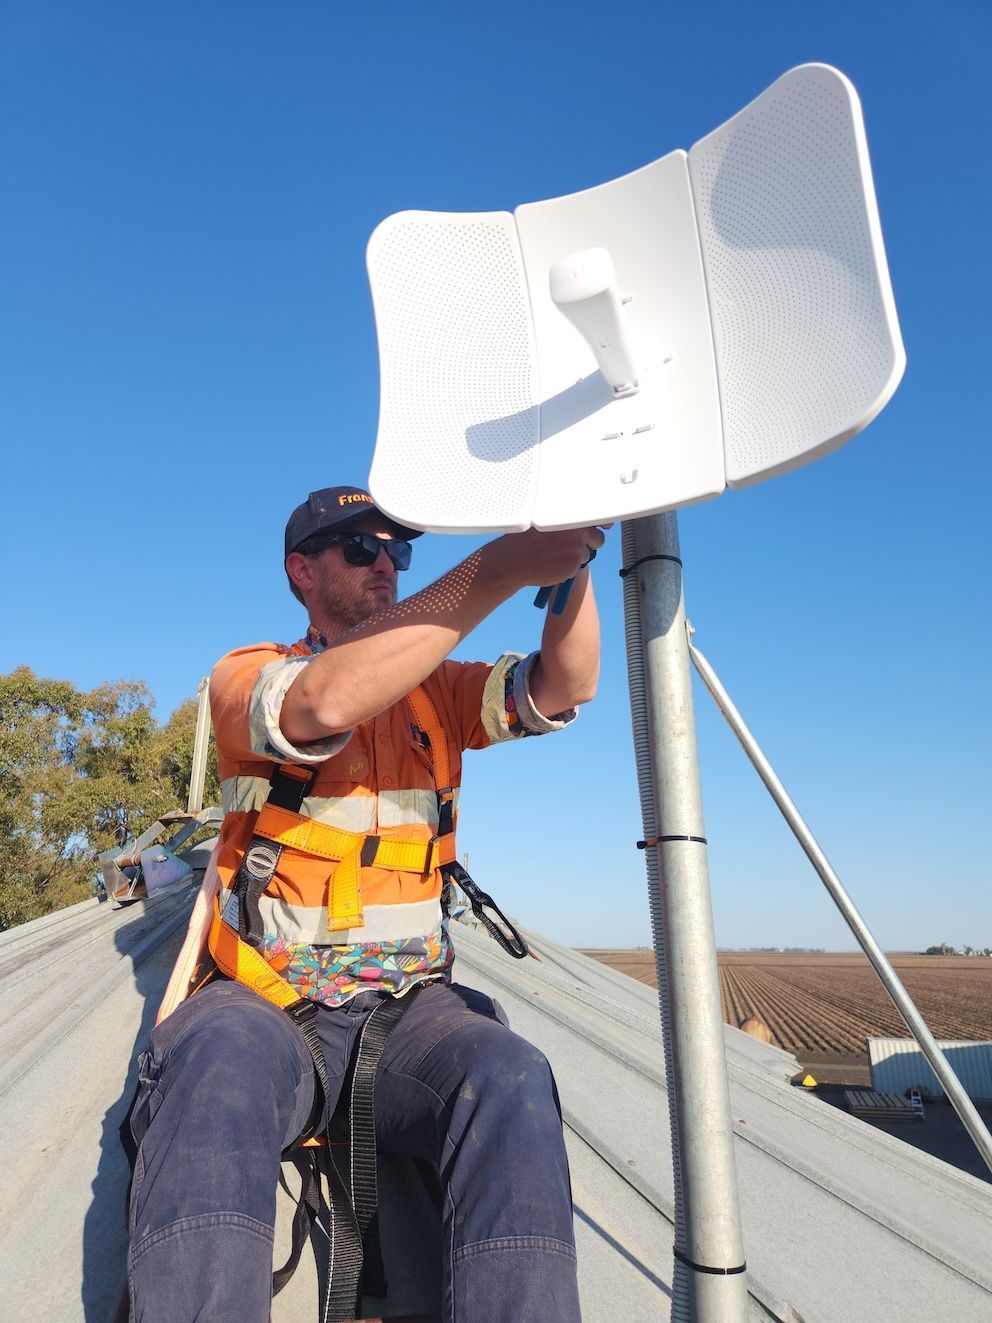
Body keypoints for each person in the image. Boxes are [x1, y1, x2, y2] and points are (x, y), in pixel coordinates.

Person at [124, 484, 605, 1323]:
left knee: (509, 1071)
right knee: (213, 1070)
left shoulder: (444, 696)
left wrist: (570, 569)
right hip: (268, 1003)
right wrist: (497, 566)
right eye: (361, 548)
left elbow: (565, 685)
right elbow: (324, 702)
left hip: (412, 1013)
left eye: (399, 551)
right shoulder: (250, 677)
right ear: (301, 570)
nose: (386, 562)